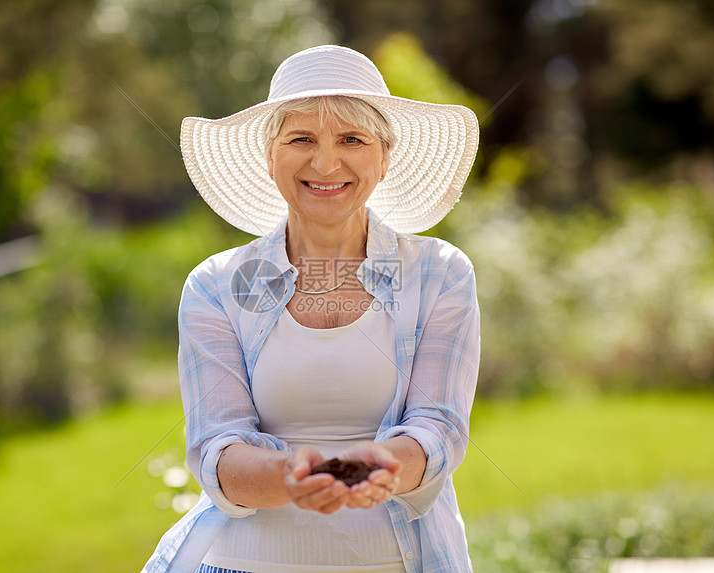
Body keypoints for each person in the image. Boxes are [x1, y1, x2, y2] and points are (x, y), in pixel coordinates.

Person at [141, 45, 481, 573]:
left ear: (384, 157)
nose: (326, 163)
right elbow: (217, 450)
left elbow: (439, 427)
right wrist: (290, 478)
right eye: (301, 138)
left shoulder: (440, 274)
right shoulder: (215, 285)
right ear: (270, 155)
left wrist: (385, 464)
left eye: (352, 139)